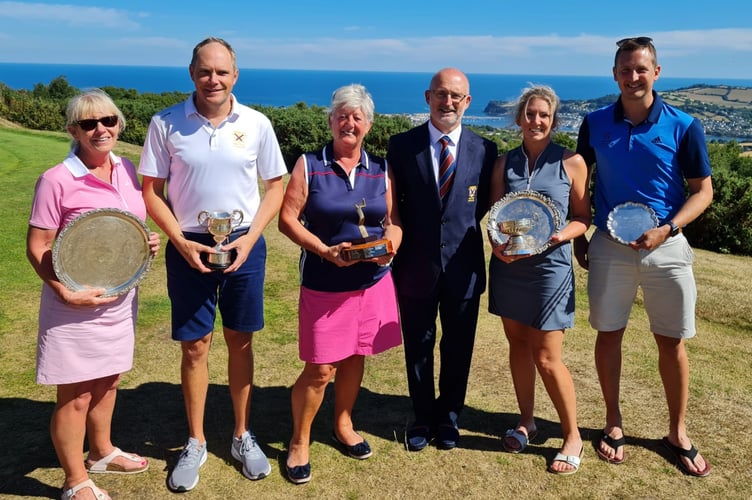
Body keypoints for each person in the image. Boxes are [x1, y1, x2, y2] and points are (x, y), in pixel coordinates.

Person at [138, 37, 287, 491]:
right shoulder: (165, 123)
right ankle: (196, 440)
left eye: (222, 71)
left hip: (243, 244)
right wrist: (181, 242)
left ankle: (242, 434)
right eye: (205, 71)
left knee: (240, 340)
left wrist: (250, 240)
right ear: (191, 73)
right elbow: (150, 191)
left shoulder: (257, 123)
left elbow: (275, 186)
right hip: (189, 244)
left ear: (235, 76)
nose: (213, 79)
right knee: (195, 346)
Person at [575, 36, 713, 477]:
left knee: (670, 342)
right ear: (614, 74)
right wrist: (580, 233)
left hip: (667, 247)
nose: (633, 77)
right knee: (608, 334)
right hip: (609, 247)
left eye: (641, 69)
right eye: (625, 69)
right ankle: (612, 422)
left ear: (656, 72)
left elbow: (702, 192)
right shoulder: (594, 123)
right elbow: (579, 180)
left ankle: (677, 432)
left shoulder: (684, 125)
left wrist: (668, 229)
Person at [27, 89, 159, 500]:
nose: (100, 129)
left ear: (119, 125)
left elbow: (122, 228)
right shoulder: (56, 179)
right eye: (89, 124)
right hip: (73, 306)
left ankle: (101, 452)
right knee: (76, 394)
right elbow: (37, 246)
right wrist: (65, 291)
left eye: (108, 121)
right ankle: (74, 480)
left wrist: (144, 243)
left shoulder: (127, 169)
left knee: (109, 381)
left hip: (118, 299)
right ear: (73, 130)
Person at [278, 83, 402, 484]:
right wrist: (322, 250)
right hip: (324, 281)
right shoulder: (308, 164)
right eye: (342, 116)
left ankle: (343, 423)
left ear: (368, 124)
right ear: (331, 121)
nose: (349, 122)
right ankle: (300, 441)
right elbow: (288, 219)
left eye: (357, 117)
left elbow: (393, 223)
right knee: (320, 368)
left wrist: (390, 247)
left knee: (355, 356)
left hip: (372, 281)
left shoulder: (381, 168)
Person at [387, 68, 498, 451]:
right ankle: (421, 417)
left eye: (455, 95)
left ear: (467, 101)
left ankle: (450, 419)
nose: (447, 102)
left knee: (458, 347)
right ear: (427, 97)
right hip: (414, 267)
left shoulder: (486, 149)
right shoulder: (400, 146)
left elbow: (481, 205)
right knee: (418, 345)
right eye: (440, 94)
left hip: (463, 267)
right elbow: (394, 206)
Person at [487, 86, 591, 474]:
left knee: (548, 357)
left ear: (553, 120)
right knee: (517, 346)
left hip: (551, 270)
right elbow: (497, 217)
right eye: (530, 114)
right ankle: (526, 420)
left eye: (544, 115)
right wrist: (495, 245)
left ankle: (572, 435)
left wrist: (558, 235)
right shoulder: (503, 164)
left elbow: (583, 217)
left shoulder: (572, 163)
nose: (536, 121)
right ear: (519, 118)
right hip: (510, 269)